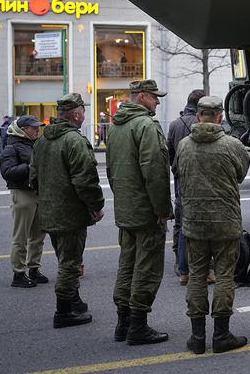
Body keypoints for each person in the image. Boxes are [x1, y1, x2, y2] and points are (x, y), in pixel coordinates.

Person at [176, 96, 250, 354]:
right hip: (225, 221)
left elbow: (178, 171)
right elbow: (241, 173)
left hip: (194, 222)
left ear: (198, 116)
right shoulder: (232, 145)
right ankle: (221, 334)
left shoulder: (184, 145)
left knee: (197, 274)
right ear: (220, 116)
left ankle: (197, 338)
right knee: (224, 275)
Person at [29, 93, 105, 329]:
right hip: (70, 213)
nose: (84, 115)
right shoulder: (74, 141)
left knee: (65, 257)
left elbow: (33, 177)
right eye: (83, 110)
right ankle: (64, 311)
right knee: (70, 263)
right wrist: (96, 206)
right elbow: (86, 180)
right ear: (75, 114)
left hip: (49, 211)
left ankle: (74, 299)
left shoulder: (41, 141)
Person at [107, 79, 173, 345]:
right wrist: (162, 209)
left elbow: (111, 171)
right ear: (143, 96)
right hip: (146, 211)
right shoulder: (146, 125)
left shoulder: (117, 126)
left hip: (126, 208)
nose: (158, 101)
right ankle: (138, 326)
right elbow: (155, 171)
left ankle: (122, 323)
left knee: (127, 265)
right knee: (147, 267)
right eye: (155, 96)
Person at [1, 115, 48, 289]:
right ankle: (18, 273)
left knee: (38, 235)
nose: (37, 130)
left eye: (38, 127)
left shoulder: (35, 144)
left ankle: (34, 269)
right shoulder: (11, 147)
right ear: (23, 130)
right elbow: (7, 172)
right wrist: (30, 167)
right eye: (33, 127)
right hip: (22, 193)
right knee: (20, 237)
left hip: (37, 193)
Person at [166, 89, 205, 285]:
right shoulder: (204, 123)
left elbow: (169, 154)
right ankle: (204, 268)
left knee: (181, 225)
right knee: (202, 225)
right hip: (201, 181)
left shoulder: (174, 125)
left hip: (181, 181)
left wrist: (176, 170)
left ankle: (182, 267)